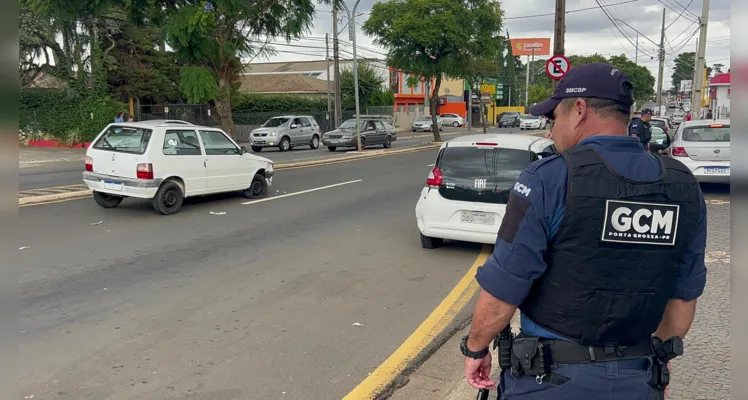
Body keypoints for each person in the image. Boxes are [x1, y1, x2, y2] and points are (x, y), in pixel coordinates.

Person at [461, 63, 707, 399]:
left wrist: (476, 348)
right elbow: (682, 298)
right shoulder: (683, 185)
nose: (551, 131)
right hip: (637, 378)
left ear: (579, 110)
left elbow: (504, 289)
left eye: (554, 119)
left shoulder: (549, 177)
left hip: (549, 381)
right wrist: (655, 366)